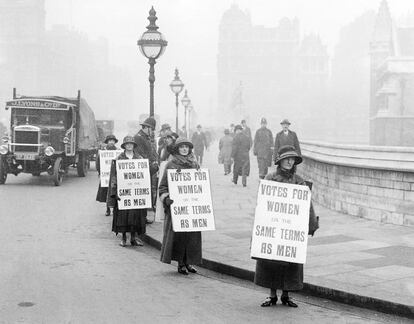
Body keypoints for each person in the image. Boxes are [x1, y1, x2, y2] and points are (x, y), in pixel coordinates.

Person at [255, 145, 318, 308]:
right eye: (287, 159)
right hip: (274, 229)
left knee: (290, 261)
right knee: (272, 261)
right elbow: (262, 204)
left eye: (293, 159)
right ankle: (271, 295)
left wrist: (311, 224)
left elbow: (307, 205)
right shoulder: (270, 179)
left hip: (291, 230)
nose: (290, 162)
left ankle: (286, 294)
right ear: (280, 161)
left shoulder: (299, 181)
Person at [159, 137, 202, 275]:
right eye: (181, 147)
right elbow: (163, 187)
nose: (184, 149)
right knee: (179, 236)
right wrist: (166, 199)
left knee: (192, 236)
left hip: (191, 207)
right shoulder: (171, 165)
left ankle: (189, 262)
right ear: (177, 149)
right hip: (177, 208)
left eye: (186, 147)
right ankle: (181, 263)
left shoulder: (195, 165)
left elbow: (200, 184)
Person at [108, 136, 147, 247]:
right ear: (124, 146)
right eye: (127, 144)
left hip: (135, 193)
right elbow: (114, 176)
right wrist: (114, 191)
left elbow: (143, 175)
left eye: (131, 144)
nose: (129, 145)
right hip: (123, 192)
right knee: (123, 216)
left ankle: (133, 238)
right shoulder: (119, 159)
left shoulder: (139, 158)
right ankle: (124, 238)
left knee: (135, 215)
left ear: (134, 145)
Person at [134, 117, 159, 223]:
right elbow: (140, 155)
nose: (152, 132)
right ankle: (140, 218)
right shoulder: (139, 138)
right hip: (142, 170)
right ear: (147, 128)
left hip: (147, 169)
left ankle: (142, 217)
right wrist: (151, 164)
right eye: (152, 129)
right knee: (141, 193)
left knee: (145, 193)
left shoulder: (145, 137)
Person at [96, 134, 119, 216]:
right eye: (110, 141)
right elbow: (98, 163)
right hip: (105, 175)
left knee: (114, 191)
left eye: (113, 141)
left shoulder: (118, 151)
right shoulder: (103, 152)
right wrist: (99, 172)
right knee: (106, 192)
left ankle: (115, 209)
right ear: (107, 142)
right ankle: (108, 209)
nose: (111, 142)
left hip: (114, 175)